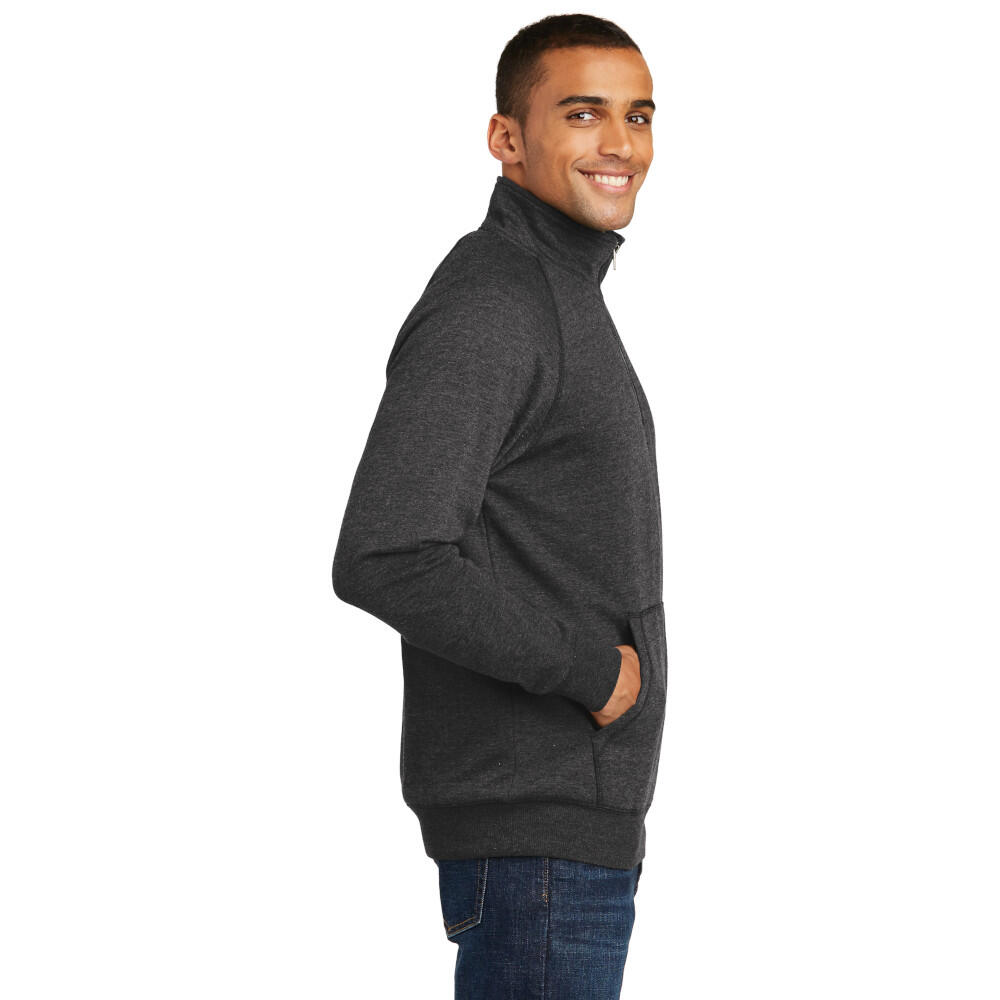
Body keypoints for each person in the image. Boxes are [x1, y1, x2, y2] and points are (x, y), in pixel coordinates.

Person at [332, 13, 666, 998]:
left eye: (639, 115)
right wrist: (591, 671)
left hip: (561, 836)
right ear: (506, 139)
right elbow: (388, 553)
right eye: (583, 113)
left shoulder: (557, 292)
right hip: (538, 844)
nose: (620, 143)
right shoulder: (497, 302)